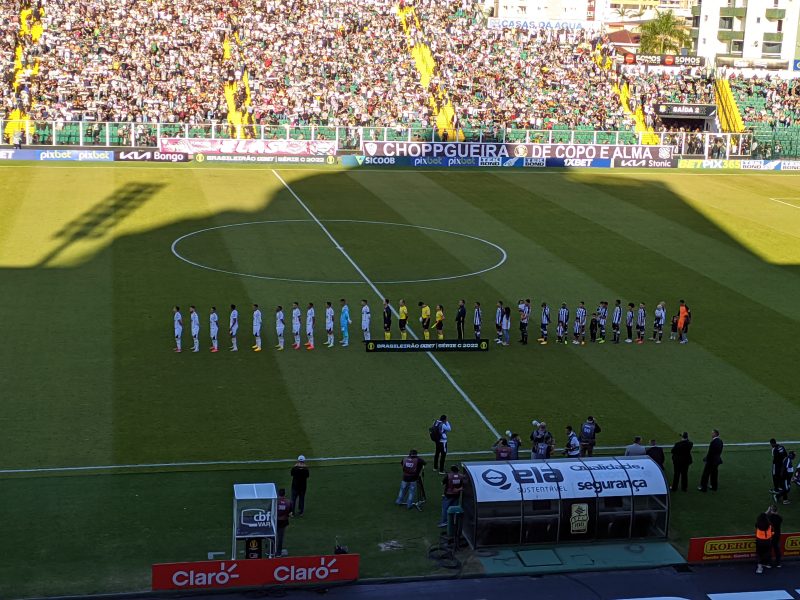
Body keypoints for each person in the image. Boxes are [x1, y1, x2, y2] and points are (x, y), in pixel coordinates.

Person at [276, 488, 292, 556]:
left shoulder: (275, 501)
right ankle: (279, 553)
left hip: (276, 520)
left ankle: (271, 550)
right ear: (284, 494)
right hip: (283, 521)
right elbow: (290, 513)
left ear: (278, 493)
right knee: (280, 537)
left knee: (273, 536)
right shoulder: (288, 502)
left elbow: (269, 509)